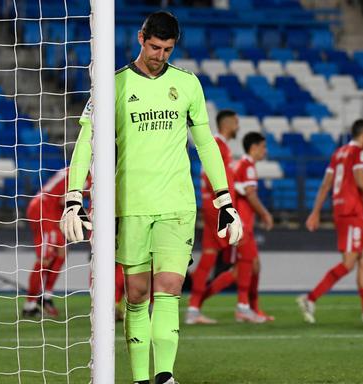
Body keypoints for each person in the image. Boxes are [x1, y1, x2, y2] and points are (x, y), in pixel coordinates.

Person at [60, 11, 242, 384]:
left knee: (170, 287)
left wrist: (225, 200)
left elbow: (206, 143)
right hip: (131, 205)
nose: (160, 56)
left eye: (168, 49)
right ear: (141, 38)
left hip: (176, 204)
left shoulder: (187, 84)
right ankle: (142, 379)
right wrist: (73, 198)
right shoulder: (113, 86)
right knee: (138, 294)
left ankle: (164, 377)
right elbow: (86, 144)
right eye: (155, 47)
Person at [297, 119, 363, 324]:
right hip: (352, 212)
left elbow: (325, 185)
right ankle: (310, 298)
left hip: (342, 209)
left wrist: (315, 212)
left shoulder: (338, 153)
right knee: (349, 263)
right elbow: (360, 180)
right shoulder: (360, 153)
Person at [198, 132, 274, 323]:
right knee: (245, 267)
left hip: (241, 222)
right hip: (242, 224)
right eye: (263, 147)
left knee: (249, 268)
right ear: (254, 147)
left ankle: (251, 308)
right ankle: (242, 308)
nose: (265, 151)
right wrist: (265, 214)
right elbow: (249, 194)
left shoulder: (239, 166)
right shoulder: (247, 167)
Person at [186, 109, 239, 325]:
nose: (238, 126)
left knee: (208, 256)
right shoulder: (219, 145)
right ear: (228, 124)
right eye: (236, 122)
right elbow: (214, 175)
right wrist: (229, 207)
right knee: (243, 258)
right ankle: (245, 306)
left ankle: (193, 309)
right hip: (218, 206)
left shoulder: (215, 144)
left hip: (210, 204)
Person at [23, 168, 90, 318]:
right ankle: (30, 304)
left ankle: (46, 296)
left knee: (61, 253)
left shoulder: (77, 172)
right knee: (45, 259)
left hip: (53, 211)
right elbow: (64, 199)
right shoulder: (84, 177)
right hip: (43, 209)